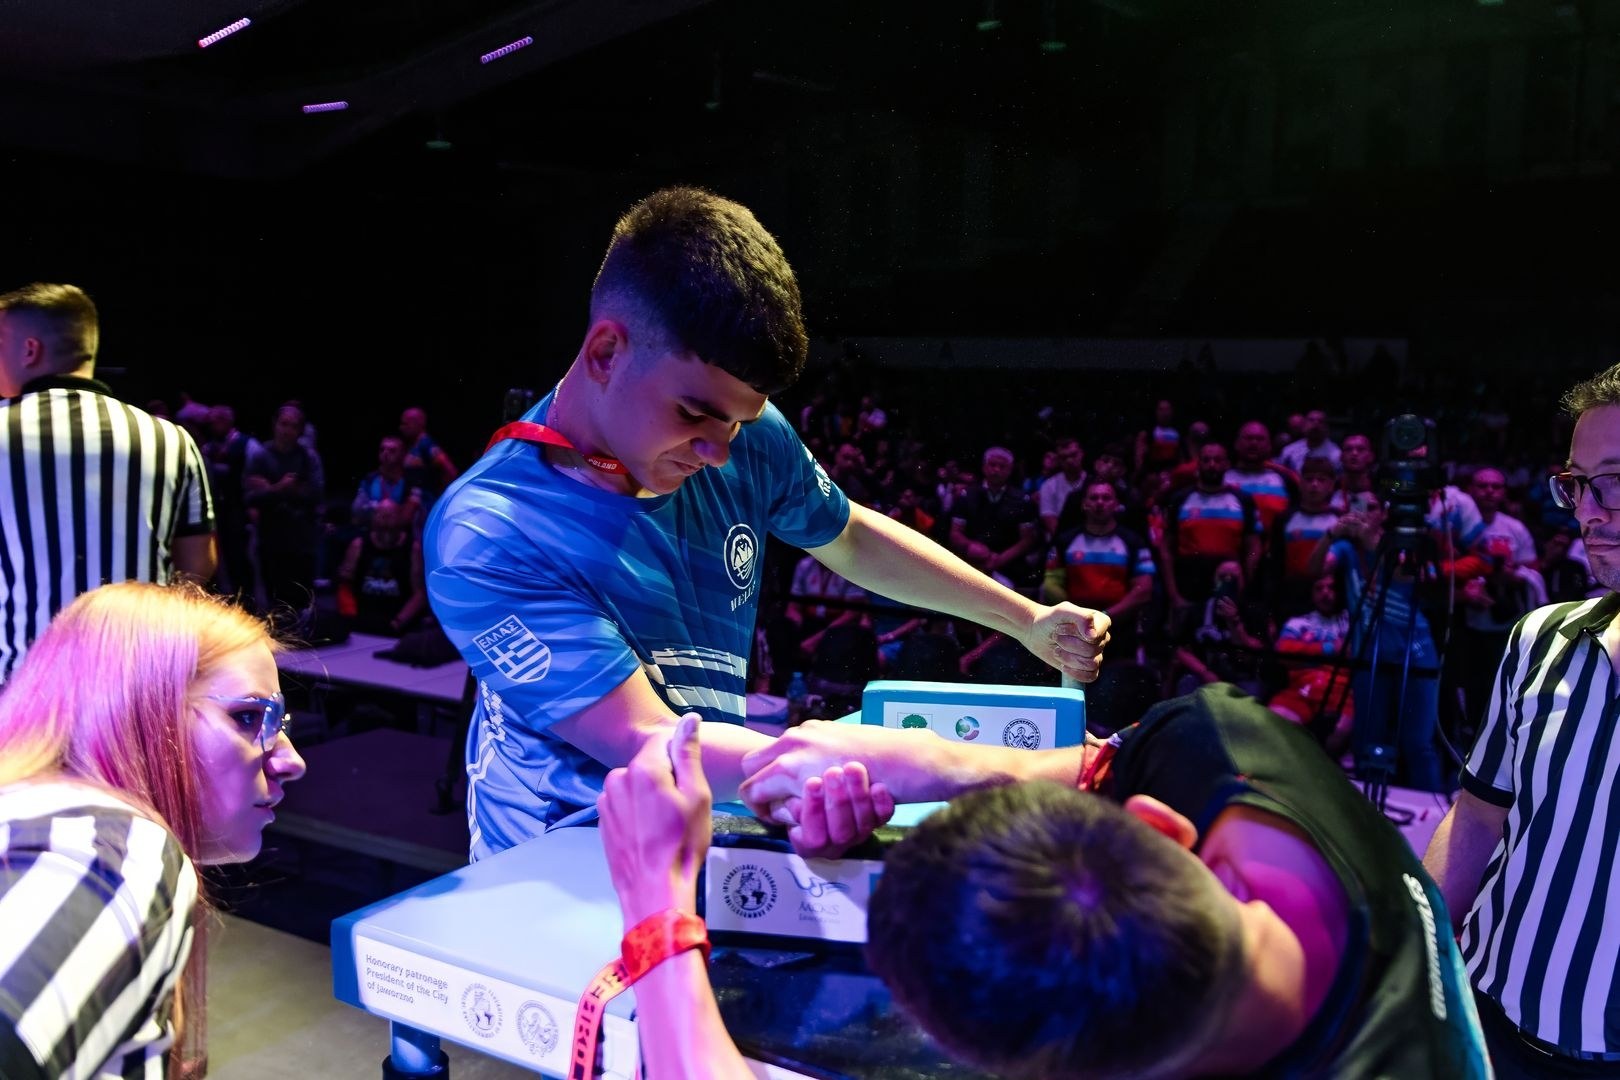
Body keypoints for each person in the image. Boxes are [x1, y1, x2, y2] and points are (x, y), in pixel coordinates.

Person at [423, 186, 1107, 861]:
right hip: (553, 869)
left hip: (709, 836)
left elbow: (849, 536)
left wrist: (1025, 620)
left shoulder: (742, 436)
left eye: (739, 421)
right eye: (693, 414)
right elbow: (649, 740)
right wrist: (923, 762)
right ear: (606, 352)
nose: (720, 450)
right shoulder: (487, 532)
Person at [604, 685, 1490, 1079]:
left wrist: (657, 903)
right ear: (1163, 826)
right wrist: (932, 764)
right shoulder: (1228, 745)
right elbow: (1104, 767)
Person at [0, 579, 307, 1077]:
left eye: (280, 722)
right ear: (134, 712)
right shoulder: (112, 852)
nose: (291, 761)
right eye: (249, 717)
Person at [1425, 360, 1620, 1075]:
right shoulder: (1540, 638)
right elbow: (1477, 817)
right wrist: (1423, 957)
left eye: (1617, 483)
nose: (1590, 511)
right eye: (1577, 484)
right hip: (1495, 1033)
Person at [0, 282, 217, 684]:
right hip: (137, 683)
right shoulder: (171, 439)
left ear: (29, 350)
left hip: (20, 686)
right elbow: (198, 565)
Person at [243, 402, 325, 618]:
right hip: (271, 538)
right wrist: (280, 488)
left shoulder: (308, 458)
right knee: (274, 599)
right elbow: (250, 497)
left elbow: (316, 494)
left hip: (302, 539)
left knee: (301, 597)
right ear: (275, 425)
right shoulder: (260, 456)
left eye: (293, 426)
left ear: (300, 430)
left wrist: (271, 488)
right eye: (283, 424)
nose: (287, 430)